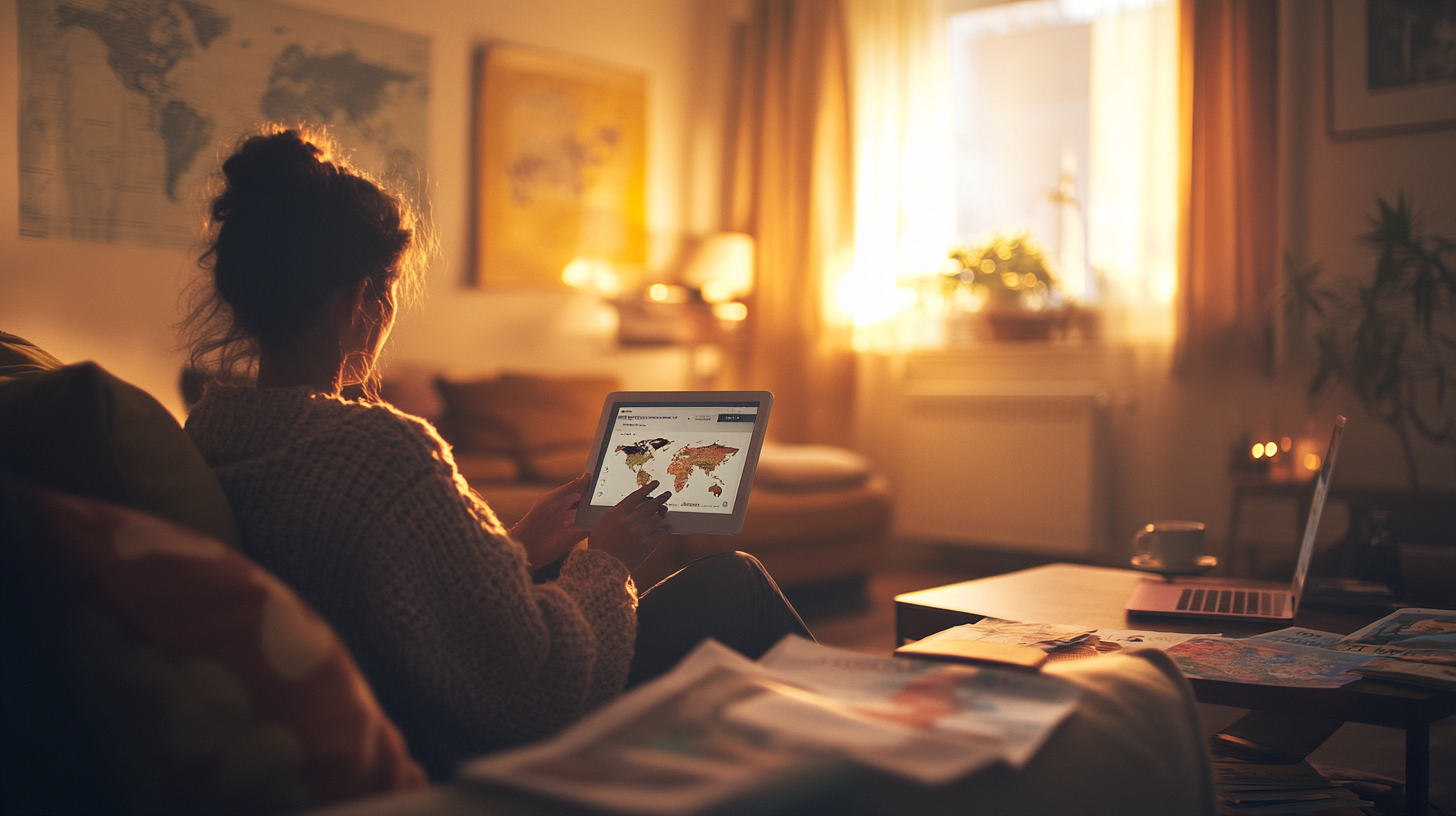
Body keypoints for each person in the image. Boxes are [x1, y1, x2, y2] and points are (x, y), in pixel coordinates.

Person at [181, 126, 811, 780]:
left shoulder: (214, 433)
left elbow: (398, 594)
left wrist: (520, 546)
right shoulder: (379, 452)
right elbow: (533, 686)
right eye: (390, 289)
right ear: (359, 298)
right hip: (469, 741)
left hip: (394, 709)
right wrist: (607, 561)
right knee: (734, 585)